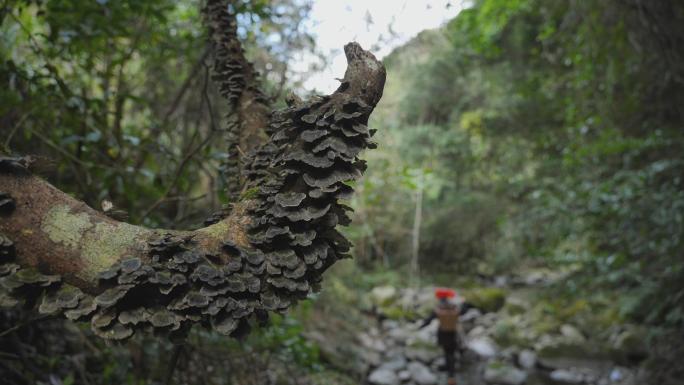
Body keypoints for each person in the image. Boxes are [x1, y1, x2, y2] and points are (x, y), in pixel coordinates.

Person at [418, 288, 465, 385]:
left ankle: (451, 375)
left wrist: (420, 326)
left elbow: (429, 320)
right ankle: (450, 371)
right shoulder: (454, 308)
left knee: (447, 352)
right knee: (451, 353)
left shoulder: (439, 309)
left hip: (443, 333)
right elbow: (463, 311)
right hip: (453, 333)